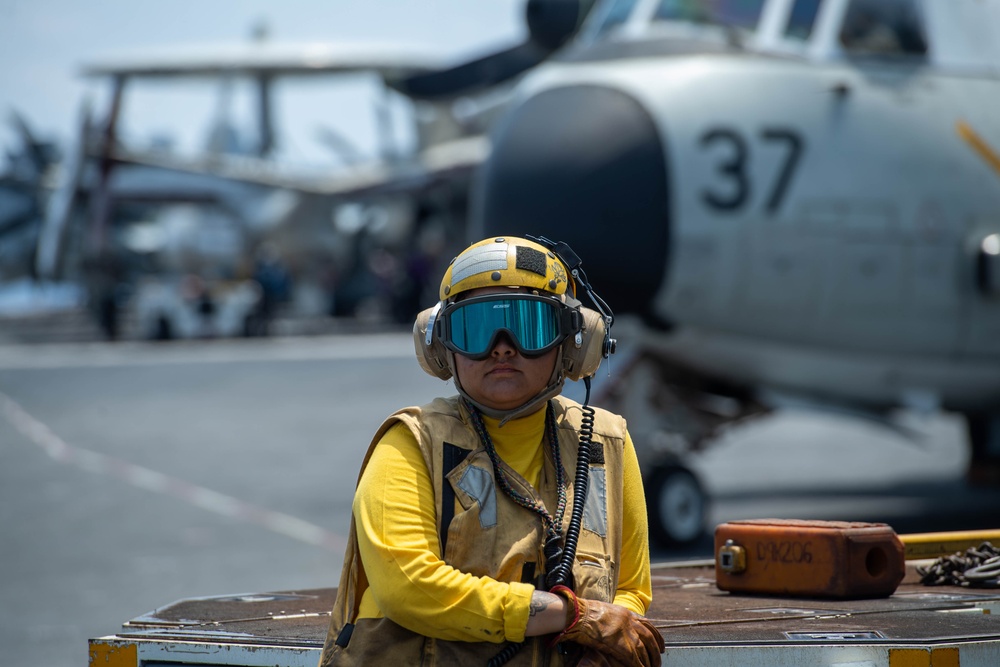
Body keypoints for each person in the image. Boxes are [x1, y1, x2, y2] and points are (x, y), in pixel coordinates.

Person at [319, 236, 663, 666]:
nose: (501, 347)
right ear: (441, 347)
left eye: (528, 325)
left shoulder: (606, 443)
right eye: (476, 329)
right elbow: (409, 586)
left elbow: (630, 588)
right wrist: (570, 615)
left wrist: (606, 641)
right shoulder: (411, 443)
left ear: (575, 341)